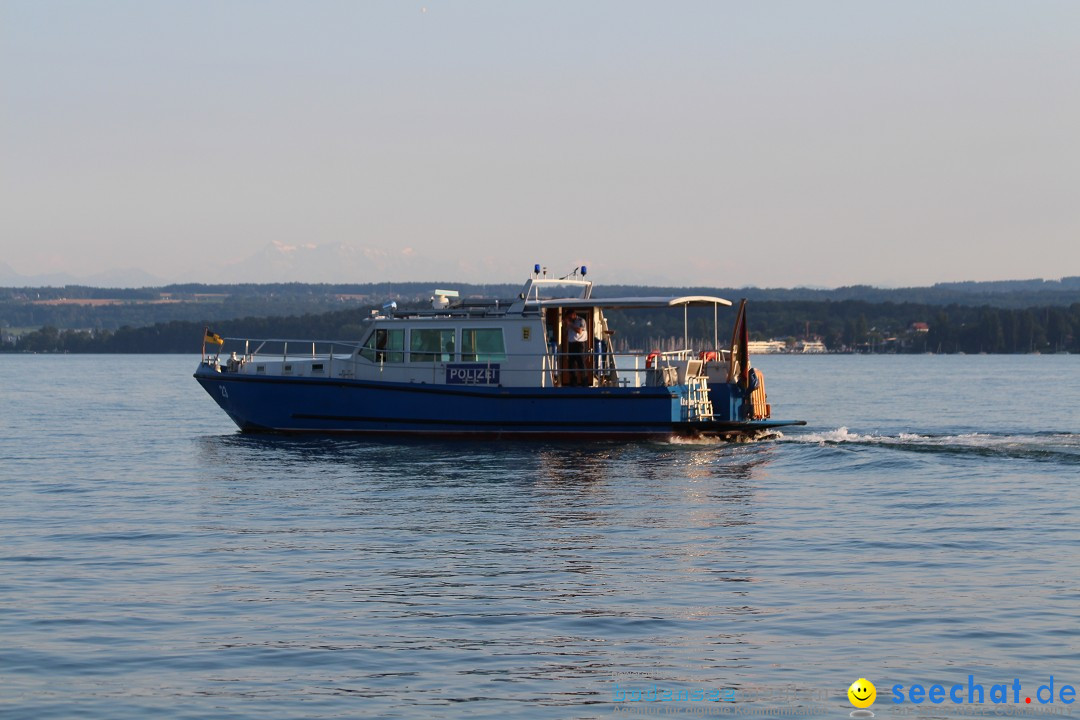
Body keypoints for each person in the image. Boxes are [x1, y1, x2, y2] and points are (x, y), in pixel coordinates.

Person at [565, 310, 588, 386]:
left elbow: (579, 331)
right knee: (571, 365)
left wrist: (570, 325)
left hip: (579, 344)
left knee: (581, 364)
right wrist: (566, 326)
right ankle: (573, 383)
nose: (569, 318)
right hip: (571, 344)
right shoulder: (570, 323)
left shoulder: (581, 321)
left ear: (574, 314)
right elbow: (566, 333)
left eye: (570, 316)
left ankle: (584, 383)